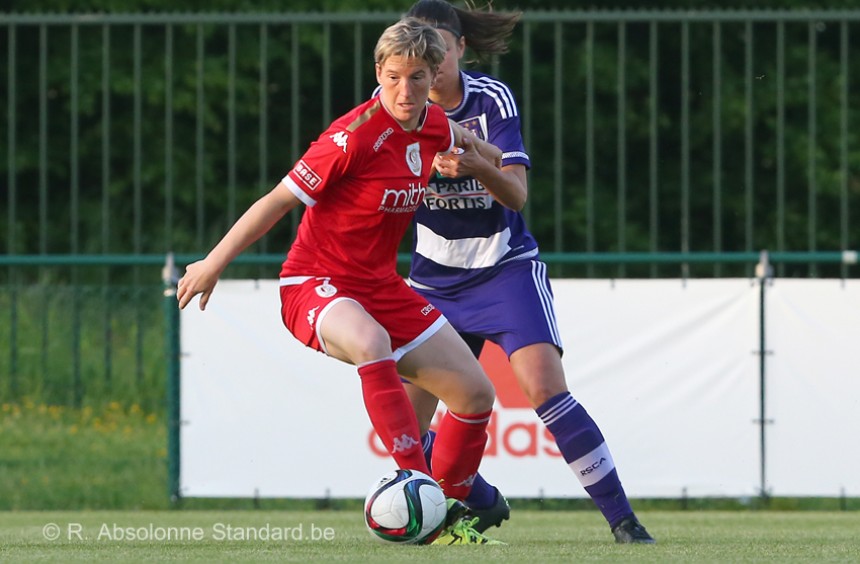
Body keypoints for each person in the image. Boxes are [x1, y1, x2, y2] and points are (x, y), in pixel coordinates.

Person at [176, 18, 505, 545]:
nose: (405, 90)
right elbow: (278, 201)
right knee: (370, 341)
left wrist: (492, 159)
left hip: (381, 286)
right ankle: (413, 477)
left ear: (434, 75)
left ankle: (443, 513)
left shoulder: (433, 125)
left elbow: (462, 136)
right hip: (315, 281)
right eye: (394, 76)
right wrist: (213, 262)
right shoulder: (353, 136)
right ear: (379, 71)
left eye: (418, 77)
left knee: (475, 394)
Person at [399, 0, 656, 544]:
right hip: (432, 281)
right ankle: (477, 502)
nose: (433, 62)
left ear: (461, 48)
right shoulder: (395, 108)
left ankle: (624, 522)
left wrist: (475, 164)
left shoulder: (490, 99)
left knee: (545, 388)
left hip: (503, 270)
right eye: (422, 52)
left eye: (442, 48)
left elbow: (516, 195)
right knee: (404, 422)